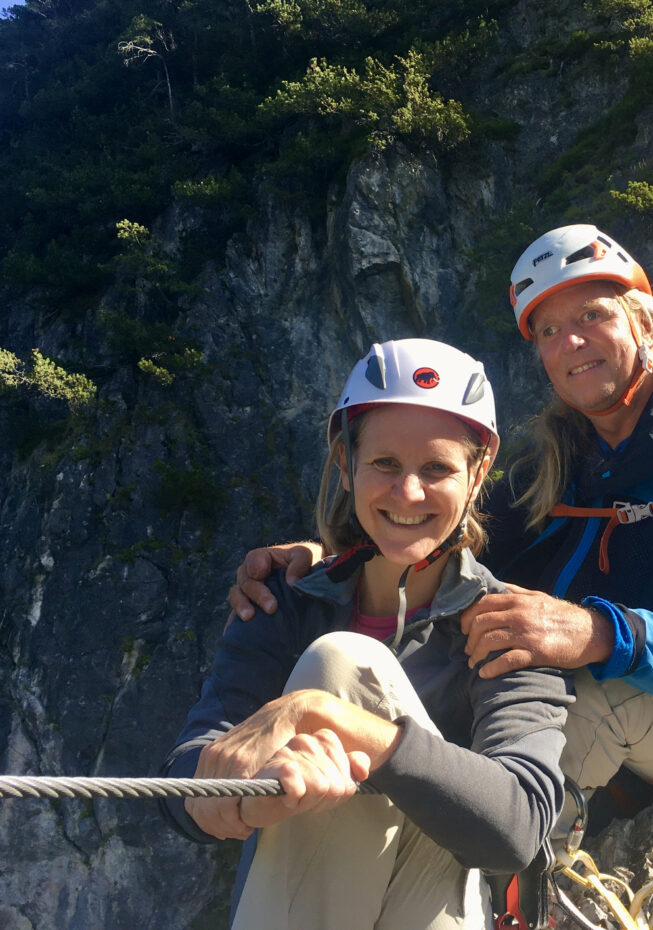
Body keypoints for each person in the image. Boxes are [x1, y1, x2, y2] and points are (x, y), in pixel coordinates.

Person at [228, 223, 653, 818]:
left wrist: (594, 633)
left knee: (582, 698)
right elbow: (433, 529)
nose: (571, 342)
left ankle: (513, 892)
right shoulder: (568, 453)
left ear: (643, 322)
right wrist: (318, 561)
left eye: (592, 315)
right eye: (549, 330)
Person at [160, 338, 572, 930]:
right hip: (311, 892)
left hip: (443, 900)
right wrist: (228, 798)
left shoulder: (508, 625)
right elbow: (182, 775)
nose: (408, 493)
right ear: (346, 462)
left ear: (478, 474)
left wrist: (328, 716)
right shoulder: (285, 603)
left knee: (341, 662)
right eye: (384, 464)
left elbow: (517, 828)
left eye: (437, 469)